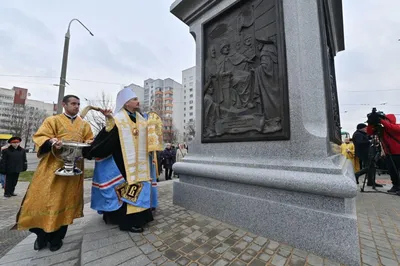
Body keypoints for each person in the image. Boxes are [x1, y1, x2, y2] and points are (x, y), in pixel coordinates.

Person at [13, 95, 93, 252]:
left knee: (64, 201)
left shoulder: (84, 125)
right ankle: (40, 236)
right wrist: (51, 141)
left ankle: (57, 238)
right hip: (51, 168)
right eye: (73, 103)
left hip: (73, 170)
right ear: (64, 105)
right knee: (41, 200)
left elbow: (89, 139)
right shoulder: (52, 120)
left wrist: (90, 143)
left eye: (78, 104)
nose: (76, 106)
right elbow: (41, 136)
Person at [85, 87, 154, 233]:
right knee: (126, 190)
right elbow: (107, 140)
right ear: (126, 103)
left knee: (139, 187)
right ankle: (128, 222)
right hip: (122, 162)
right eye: (134, 99)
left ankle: (141, 217)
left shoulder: (141, 119)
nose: (138, 102)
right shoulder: (117, 119)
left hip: (139, 163)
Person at [367, 113, 400, 194]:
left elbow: (392, 127)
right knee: (392, 171)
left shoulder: (397, 126)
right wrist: (370, 123)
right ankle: (395, 185)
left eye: (385, 119)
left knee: (398, 171)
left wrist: (380, 120)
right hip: (389, 154)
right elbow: (370, 132)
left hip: (398, 153)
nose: (384, 121)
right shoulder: (382, 129)